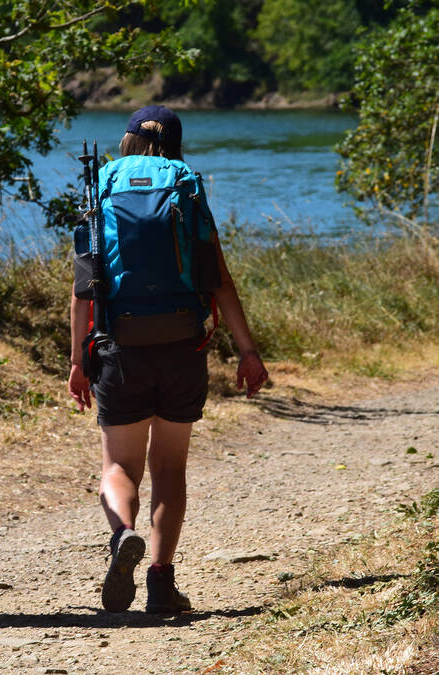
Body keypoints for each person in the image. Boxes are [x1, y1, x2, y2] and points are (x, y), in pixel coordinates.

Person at [68, 105, 268, 614]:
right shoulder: (187, 190)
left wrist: (76, 359)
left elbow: (83, 290)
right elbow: (218, 281)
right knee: (170, 469)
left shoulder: (102, 190)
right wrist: (247, 352)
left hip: (119, 346)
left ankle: (123, 536)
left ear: (127, 142)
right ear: (174, 144)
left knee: (119, 465)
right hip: (183, 345)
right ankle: (160, 582)